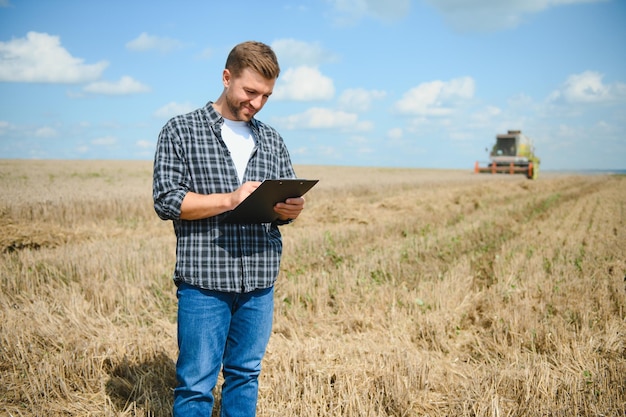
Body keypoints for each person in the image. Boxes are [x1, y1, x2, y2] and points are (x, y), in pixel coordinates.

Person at [152, 41, 305, 417]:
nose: (257, 102)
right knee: (196, 385)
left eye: (266, 96)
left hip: (259, 283)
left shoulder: (272, 139)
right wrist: (228, 199)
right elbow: (167, 200)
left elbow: (280, 207)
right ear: (226, 77)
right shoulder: (180, 131)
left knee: (245, 375)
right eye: (250, 91)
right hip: (204, 281)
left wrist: (291, 209)